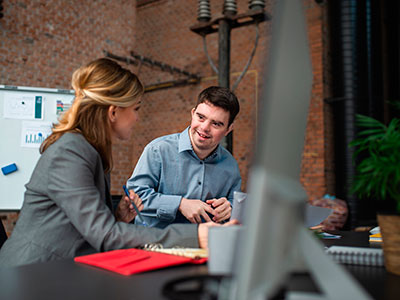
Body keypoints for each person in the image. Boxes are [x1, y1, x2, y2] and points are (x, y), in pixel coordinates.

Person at [0, 58, 235, 267]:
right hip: (29, 274)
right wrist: (197, 236)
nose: (137, 117)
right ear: (113, 112)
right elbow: (105, 235)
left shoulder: (91, 149)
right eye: (135, 109)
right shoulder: (70, 152)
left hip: (60, 270)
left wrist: (118, 217)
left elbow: (86, 226)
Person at [127, 86, 242, 228]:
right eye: (201, 117)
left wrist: (230, 208)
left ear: (228, 129)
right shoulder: (158, 150)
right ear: (193, 114)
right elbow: (135, 197)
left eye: (216, 124)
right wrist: (180, 204)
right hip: (155, 244)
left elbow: (235, 205)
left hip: (204, 247)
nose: (205, 127)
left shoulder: (230, 166)